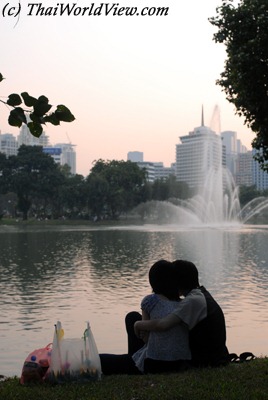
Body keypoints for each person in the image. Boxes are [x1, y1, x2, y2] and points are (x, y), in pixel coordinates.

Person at [100, 260, 191, 374]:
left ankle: (133, 363)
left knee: (100, 360)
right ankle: (132, 359)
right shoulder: (184, 304)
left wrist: (139, 327)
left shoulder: (150, 301)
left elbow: (146, 338)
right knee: (133, 317)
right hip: (180, 363)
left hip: (154, 363)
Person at [134, 260, 230, 368]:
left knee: (133, 318)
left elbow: (162, 324)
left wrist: (137, 324)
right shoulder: (200, 294)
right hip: (213, 355)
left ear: (178, 281)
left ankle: (135, 360)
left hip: (206, 360)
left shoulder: (193, 301)